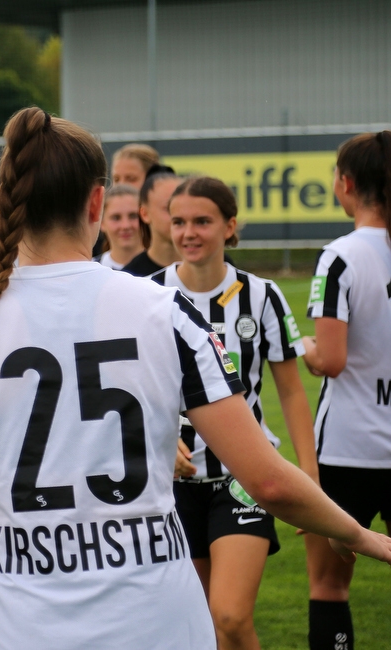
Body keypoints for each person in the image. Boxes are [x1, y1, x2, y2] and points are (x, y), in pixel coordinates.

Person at [0, 107, 391, 650]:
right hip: (155, 624)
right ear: (97, 201)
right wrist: (361, 535)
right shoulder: (168, 312)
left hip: (14, 628)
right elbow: (269, 481)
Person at [150, 175, 318, 649]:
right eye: (179, 222)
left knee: (229, 616)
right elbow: (133, 393)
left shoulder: (262, 295)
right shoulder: (148, 294)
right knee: (195, 628)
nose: (188, 233)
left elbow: (291, 392)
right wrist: (161, 443)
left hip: (241, 480)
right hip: (170, 486)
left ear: (230, 226)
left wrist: (308, 474)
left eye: (202, 221)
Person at [302, 130, 391, 650]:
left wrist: (308, 348)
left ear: (346, 183)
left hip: (347, 448)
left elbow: (331, 360)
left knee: (329, 585)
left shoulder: (339, 256)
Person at [121, 164, 181, 276]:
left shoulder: (217, 267)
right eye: (168, 208)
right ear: (144, 214)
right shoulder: (131, 277)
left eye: (184, 207)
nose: (179, 216)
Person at [95, 183, 143, 270]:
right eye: (116, 218)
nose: (125, 226)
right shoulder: (91, 271)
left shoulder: (164, 271)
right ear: (102, 223)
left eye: (133, 216)